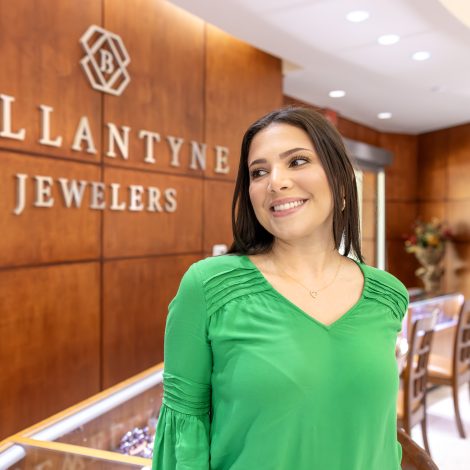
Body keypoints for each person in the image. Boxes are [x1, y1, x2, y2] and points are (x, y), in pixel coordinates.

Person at [152, 106, 409, 470]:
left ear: (340, 179)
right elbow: (184, 443)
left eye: (298, 161)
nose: (275, 181)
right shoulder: (208, 287)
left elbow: (378, 434)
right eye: (259, 171)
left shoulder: (388, 294)